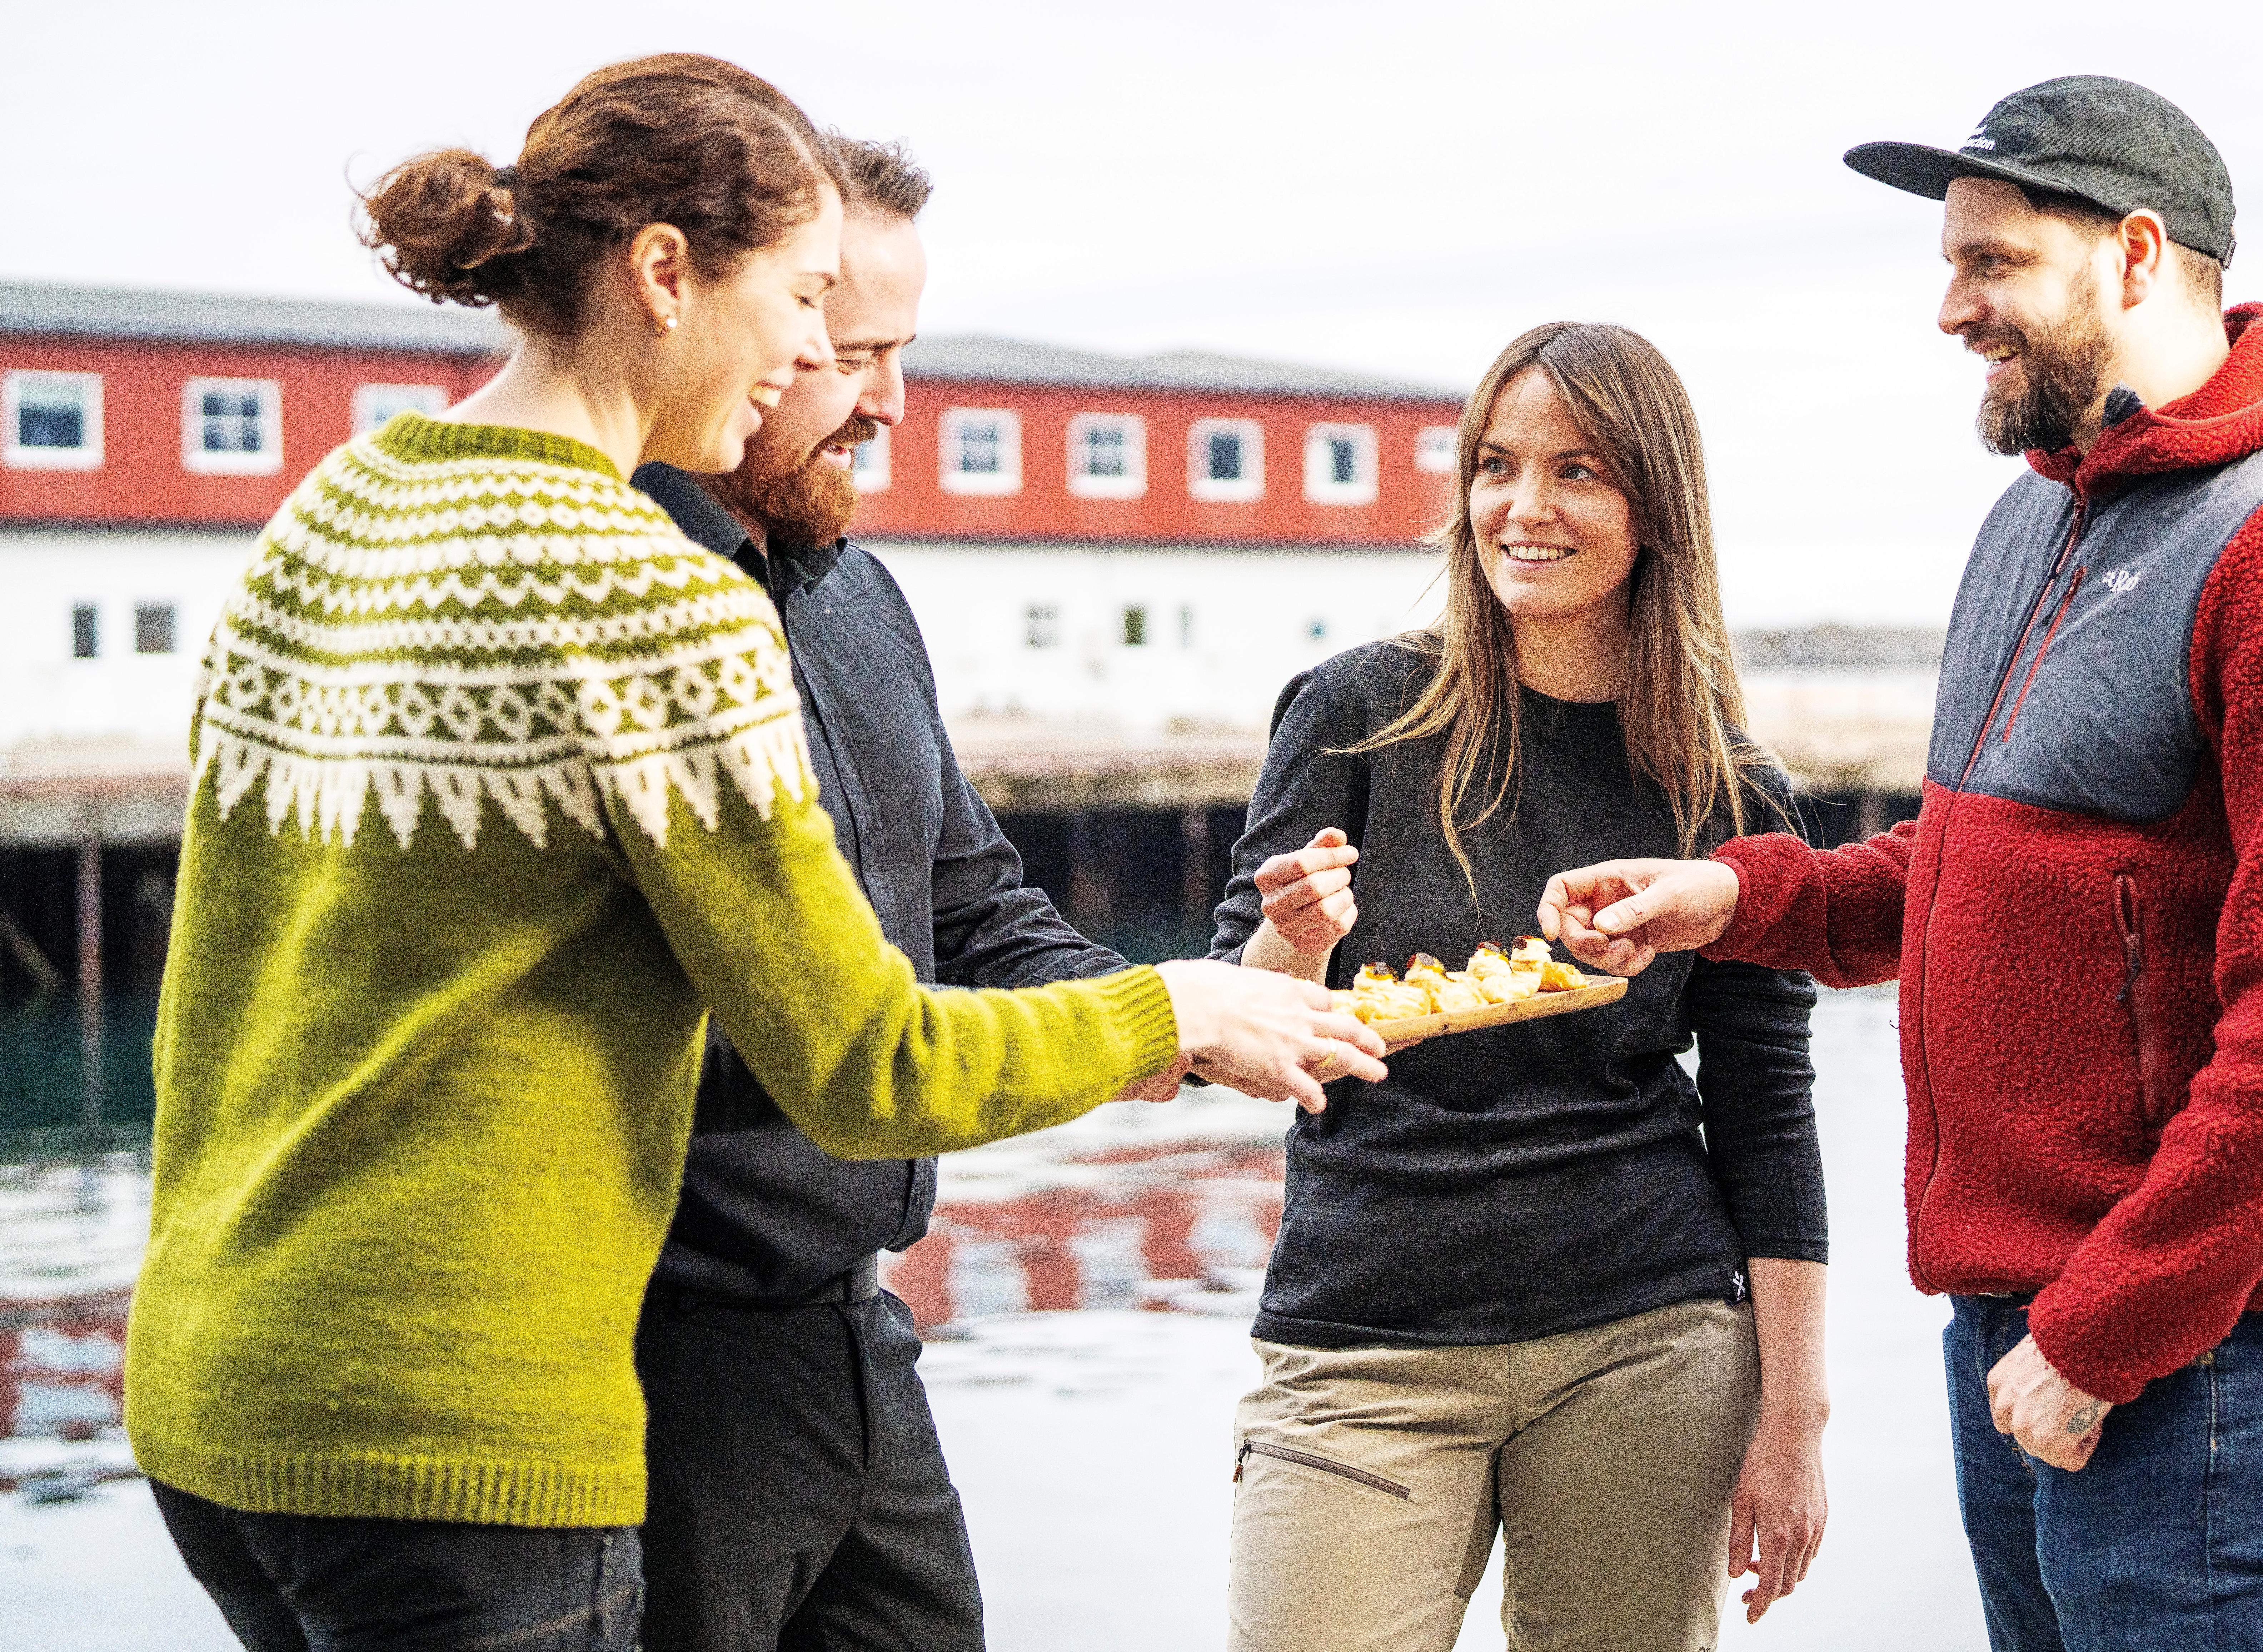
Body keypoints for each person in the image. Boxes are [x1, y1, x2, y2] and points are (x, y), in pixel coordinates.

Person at [125, 55, 1383, 1652]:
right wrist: (1179, 1010)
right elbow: (861, 1062)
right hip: (467, 1418)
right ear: (665, 274)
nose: (821, 355)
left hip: (220, 1388)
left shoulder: (327, 514)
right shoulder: (647, 590)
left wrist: (1194, 1004)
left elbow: (207, 1003)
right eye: (808, 305)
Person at [1539, 76, 2263, 1651]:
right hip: (2025, 1320)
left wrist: (2108, 1332)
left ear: (2139, 256)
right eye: (1949, 264)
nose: (1952, 309)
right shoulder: (2033, 526)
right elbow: (1972, 871)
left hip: (2194, 1349)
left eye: (1994, 265)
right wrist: (1744, 897)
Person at [1213, 321, 1829, 1652]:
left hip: (1648, 1335)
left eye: (1579, 472)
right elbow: (1232, 1024)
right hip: (1365, 1334)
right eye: (1496, 465)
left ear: (1654, 509)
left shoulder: (1727, 790)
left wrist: (1793, 1418)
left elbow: (1768, 1112)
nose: (1524, 507)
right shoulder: (1355, 713)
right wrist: (1295, 945)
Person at [620, 131, 1134, 1652]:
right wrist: (1150, 1020)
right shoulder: (610, 600)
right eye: (850, 355)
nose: (892, 403)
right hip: (655, 1364)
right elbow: (771, 1036)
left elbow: (972, 911)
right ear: (736, 323)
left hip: (859, 1336)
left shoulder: (858, 594)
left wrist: (1183, 1015)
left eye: (901, 353)